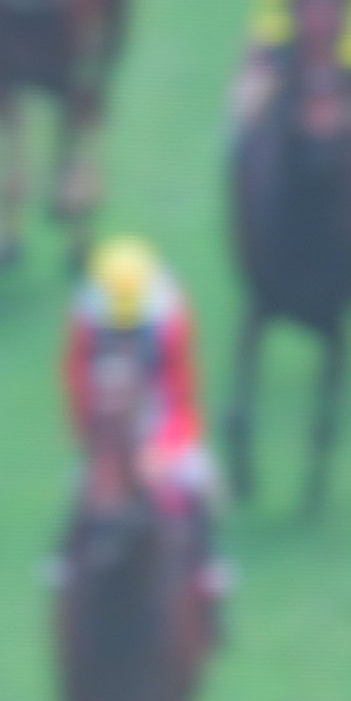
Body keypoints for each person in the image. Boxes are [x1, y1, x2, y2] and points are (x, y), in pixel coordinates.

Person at [63, 234, 226, 641]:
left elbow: (182, 393)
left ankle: (210, 579)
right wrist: (99, 446)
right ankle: (64, 570)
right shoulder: (85, 318)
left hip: (159, 415)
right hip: (106, 422)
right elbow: (76, 384)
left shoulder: (170, 316)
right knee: (82, 489)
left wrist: (164, 451)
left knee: (203, 483)